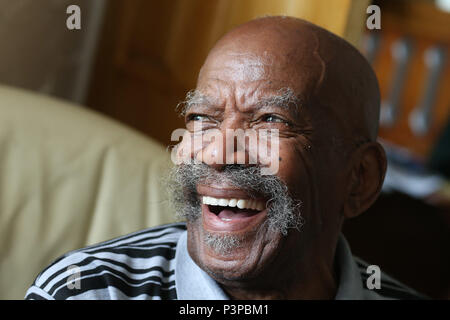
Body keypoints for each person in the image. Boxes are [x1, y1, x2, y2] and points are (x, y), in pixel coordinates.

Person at [25, 16, 425, 300]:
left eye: (271, 121)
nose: (217, 153)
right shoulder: (87, 292)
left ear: (360, 179)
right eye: (202, 118)